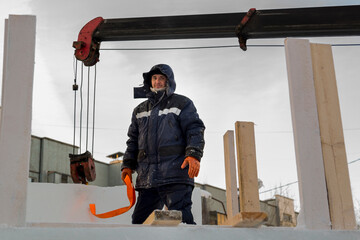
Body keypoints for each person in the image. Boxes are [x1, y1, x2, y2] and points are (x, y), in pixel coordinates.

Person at [121, 64, 205, 224]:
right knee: (139, 223)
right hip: (147, 179)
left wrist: (194, 154)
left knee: (182, 221)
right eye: (154, 78)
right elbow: (132, 140)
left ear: (168, 81)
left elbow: (194, 129)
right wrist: (127, 164)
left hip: (175, 175)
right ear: (149, 81)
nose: (157, 81)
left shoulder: (182, 103)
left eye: (161, 78)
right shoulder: (139, 110)